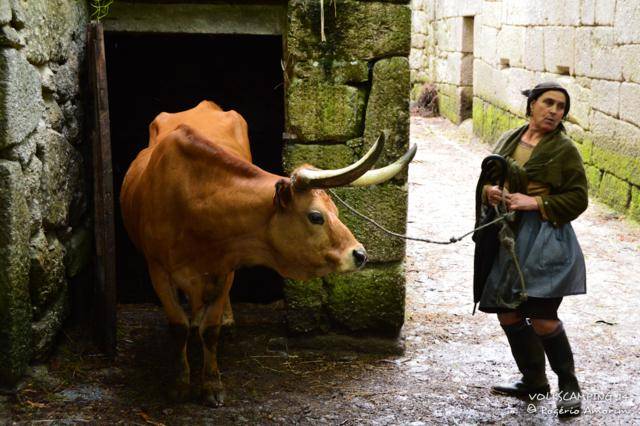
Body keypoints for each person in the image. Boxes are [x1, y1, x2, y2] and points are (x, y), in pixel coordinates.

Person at [472, 81, 588, 417]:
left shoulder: (564, 150)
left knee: (542, 318)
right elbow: (487, 178)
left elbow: (578, 199)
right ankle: (534, 382)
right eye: (548, 103)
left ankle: (569, 386)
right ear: (532, 104)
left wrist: (535, 202)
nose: (554, 111)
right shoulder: (510, 139)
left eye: (561, 107)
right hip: (506, 238)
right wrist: (490, 193)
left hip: (545, 241)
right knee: (508, 312)